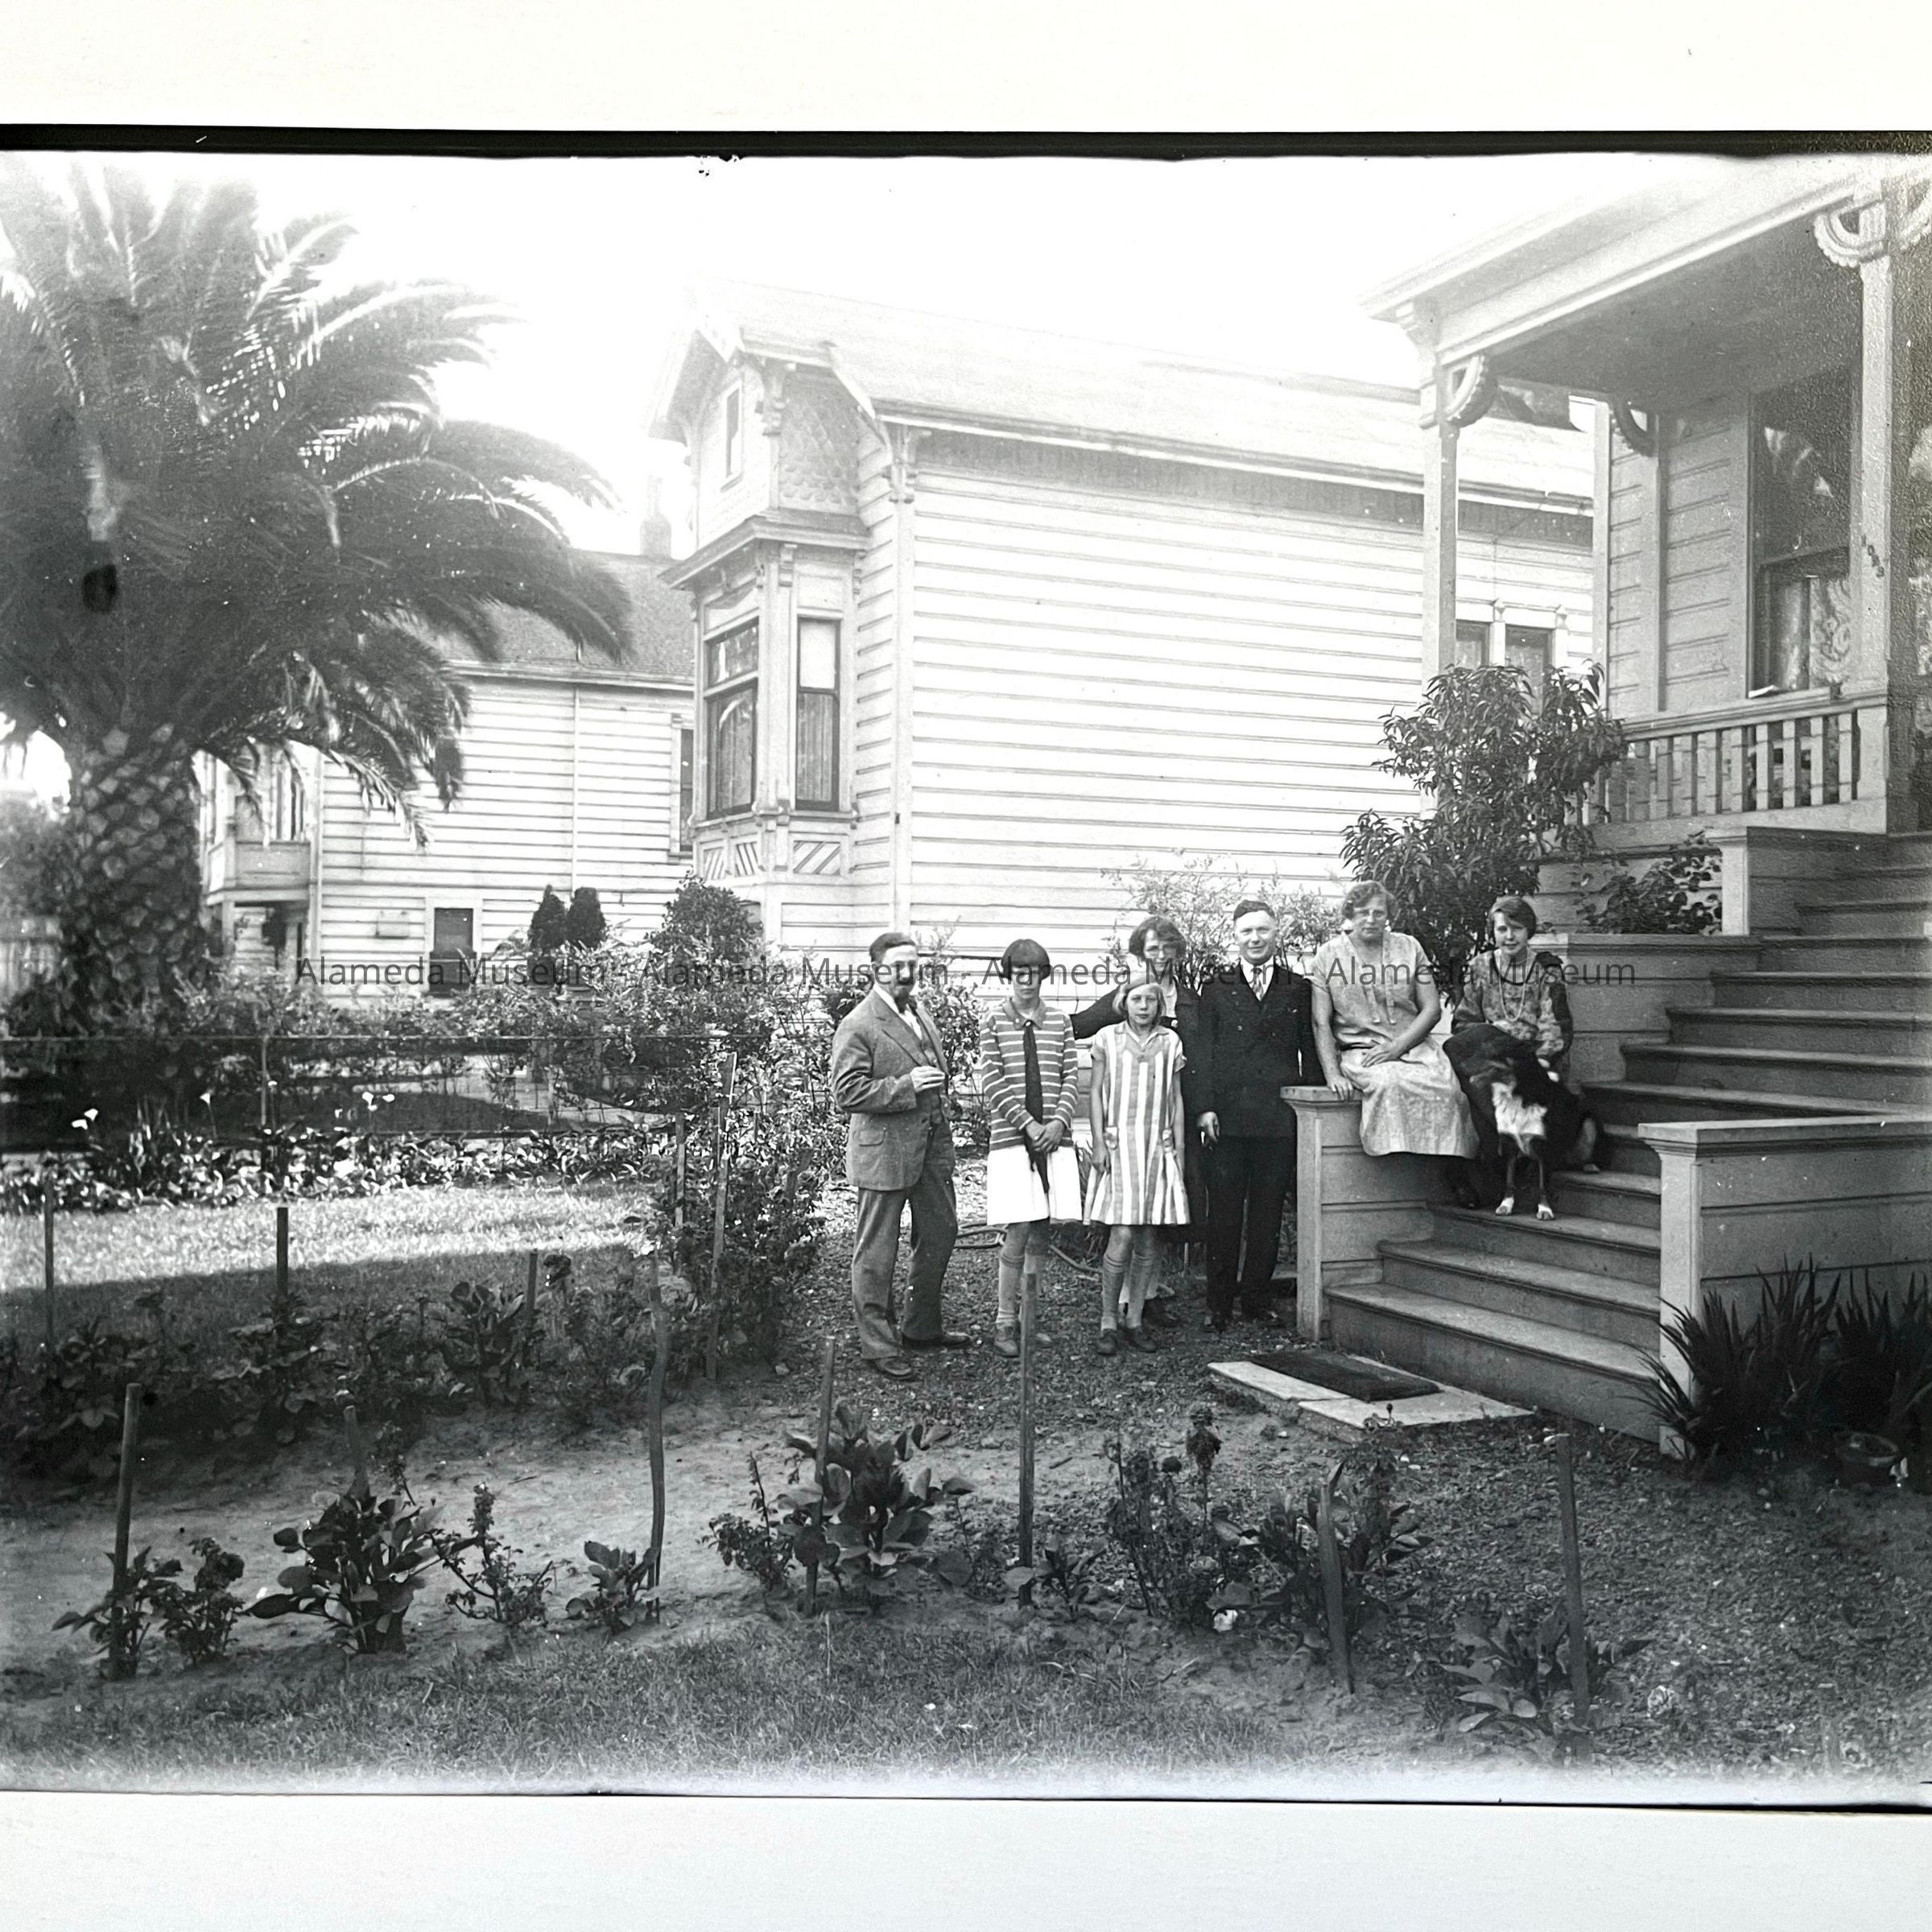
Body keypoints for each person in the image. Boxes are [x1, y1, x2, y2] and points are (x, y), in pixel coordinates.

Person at [830, 931, 965, 1381]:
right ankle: (878, 1346)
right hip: (885, 1153)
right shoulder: (859, 1023)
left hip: (930, 1149)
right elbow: (847, 1092)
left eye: (913, 965)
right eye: (896, 966)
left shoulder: (919, 1012)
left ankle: (921, 1328)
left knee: (942, 1231)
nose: (907, 973)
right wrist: (906, 1087)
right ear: (877, 970)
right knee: (877, 1252)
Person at [1191, 898, 1322, 1332]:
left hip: (1278, 1119)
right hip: (1227, 1121)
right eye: (1246, 931)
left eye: (1262, 930)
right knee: (1225, 1213)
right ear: (1235, 936)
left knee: (1267, 1214)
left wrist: (1311, 1109)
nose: (1255, 939)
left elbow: (1310, 1052)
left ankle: (1256, 1300)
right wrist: (1205, 1107)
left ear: (1276, 933)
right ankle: (1218, 1304)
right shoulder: (1216, 989)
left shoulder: (1297, 988)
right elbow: (1203, 1054)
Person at [1069, 913, 1199, 1327]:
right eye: (1152, 948)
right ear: (1141, 954)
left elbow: (1204, 1053)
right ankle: (1122, 1303)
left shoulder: (1189, 999)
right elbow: (1081, 1026)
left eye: (1166, 947)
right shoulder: (1126, 995)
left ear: (1177, 952)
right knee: (1127, 1221)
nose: (1160, 955)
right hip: (1125, 1126)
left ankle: (1148, 1299)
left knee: (1156, 1216)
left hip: (1172, 1116)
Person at [1310, 881, 1479, 1184]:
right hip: (1363, 1053)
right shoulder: (1328, 955)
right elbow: (1320, 1022)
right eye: (1363, 912)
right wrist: (1332, 1074)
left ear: (1389, 915)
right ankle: (1395, 1172)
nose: (1371, 919)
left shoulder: (1410, 947)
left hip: (1414, 1046)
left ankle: (1452, 1174)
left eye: (1379, 912)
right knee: (1389, 1082)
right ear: (1350, 914)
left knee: (1449, 1092)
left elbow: (1432, 1009)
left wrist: (1398, 1047)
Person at [978, 938, 1082, 1360]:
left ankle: (1031, 1317)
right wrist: (1028, 1124)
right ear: (1009, 977)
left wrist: (1057, 1123)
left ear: (1043, 976)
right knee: (1018, 1228)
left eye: (1034, 973)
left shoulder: (1060, 1022)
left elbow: (1072, 1076)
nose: (1027, 981)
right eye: (1019, 973)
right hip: (1012, 1140)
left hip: (1053, 1139)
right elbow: (992, 1080)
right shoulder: (993, 1021)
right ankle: (1005, 1320)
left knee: (1042, 1229)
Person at [1084, 969, 1190, 1356]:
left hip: (1156, 1146)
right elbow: (1095, 1092)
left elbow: (1176, 1098)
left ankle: (1135, 1319)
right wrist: (1099, 1142)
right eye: (1136, 999)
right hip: (1119, 1146)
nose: (1143, 1007)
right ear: (1123, 1002)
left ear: (1159, 1004)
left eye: (1150, 1000)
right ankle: (1108, 1320)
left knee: (1148, 1236)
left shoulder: (1170, 1041)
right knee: (1123, 1233)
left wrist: (1178, 1149)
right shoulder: (1107, 1039)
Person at [1452, 896, 1575, 1082]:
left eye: (1517, 928)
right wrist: (1493, 1032)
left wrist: (1540, 1062)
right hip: (1493, 1057)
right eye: (1502, 929)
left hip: (1537, 1060)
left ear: (1528, 931)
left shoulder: (1547, 969)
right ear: (1493, 932)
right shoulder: (1480, 966)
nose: (1509, 936)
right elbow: (1463, 1022)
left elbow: (1556, 1027)